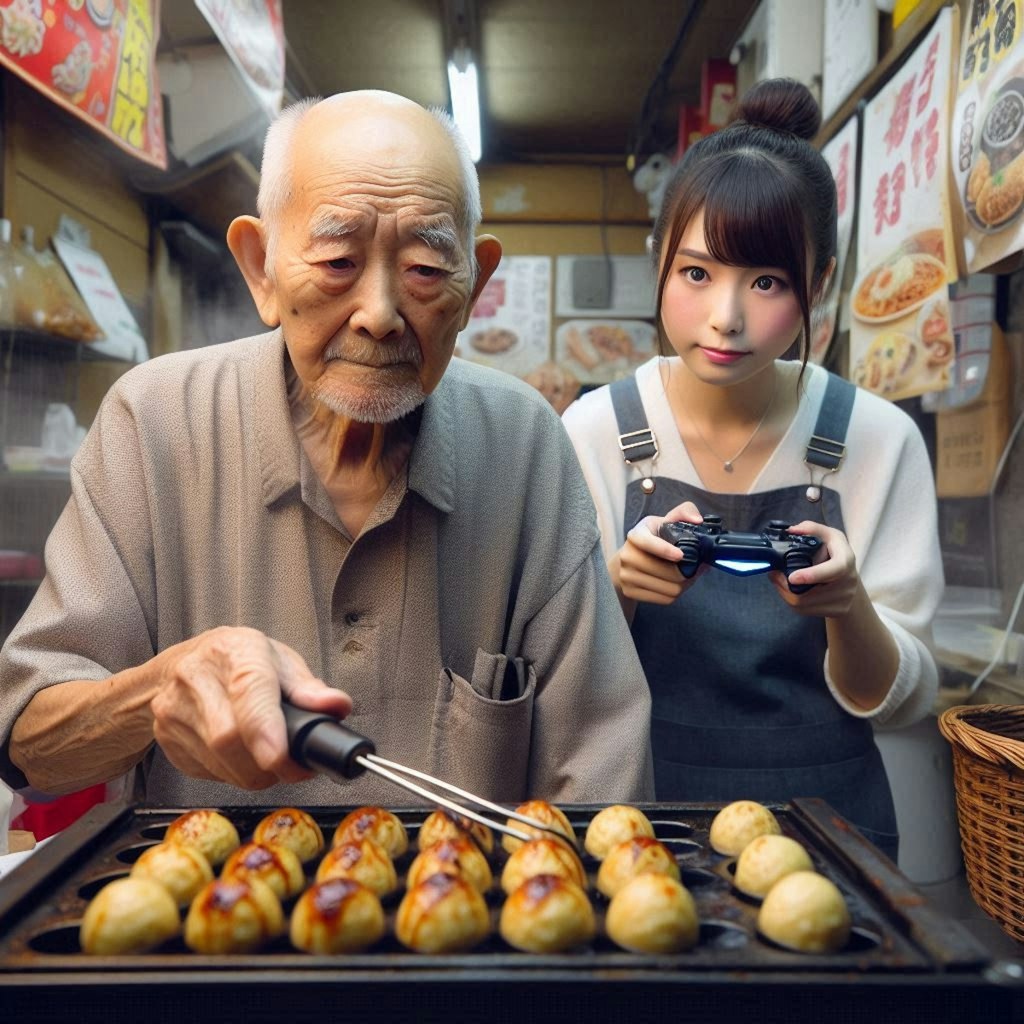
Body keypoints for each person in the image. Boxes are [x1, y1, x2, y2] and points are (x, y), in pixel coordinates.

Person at [0, 91, 654, 809]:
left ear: (475, 287)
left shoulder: (525, 444)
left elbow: (600, 772)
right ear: (261, 268)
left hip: (469, 911)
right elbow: (27, 742)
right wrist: (155, 692)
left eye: (427, 271)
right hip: (215, 910)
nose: (379, 314)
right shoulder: (153, 423)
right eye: (338, 259)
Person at [562, 79, 942, 860]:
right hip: (642, 819)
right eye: (696, 273)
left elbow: (898, 698)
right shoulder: (596, 430)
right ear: (657, 265)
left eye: (767, 281)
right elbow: (563, 686)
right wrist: (616, 588)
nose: (726, 316)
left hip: (836, 830)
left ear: (822, 285)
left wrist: (848, 605)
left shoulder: (878, 438)